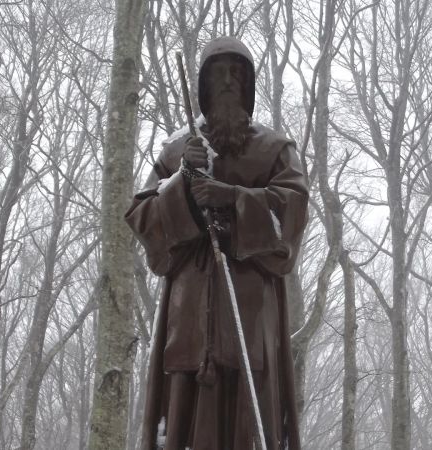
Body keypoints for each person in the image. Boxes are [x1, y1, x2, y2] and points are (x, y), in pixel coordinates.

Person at [125, 36, 307, 450]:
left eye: (237, 74)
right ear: (203, 88)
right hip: (188, 320)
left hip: (250, 314)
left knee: (249, 417)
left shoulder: (275, 150)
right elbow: (143, 219)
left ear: (249, 85)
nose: (228, 82)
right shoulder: (177, 154)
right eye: (218, 74)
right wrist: (182, 187)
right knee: (186, 419)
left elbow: (292, 214)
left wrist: (232, 198)